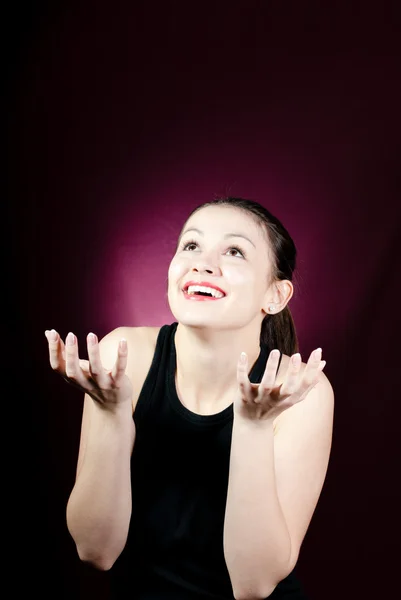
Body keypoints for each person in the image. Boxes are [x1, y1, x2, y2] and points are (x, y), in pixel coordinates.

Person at [45, 196, 334, 599]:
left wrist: (253, 425)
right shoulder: (123, 356)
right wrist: (111, 413)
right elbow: (95, 550)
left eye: (234, 251)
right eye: (191, 245)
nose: (202, 263)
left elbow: (253, 583)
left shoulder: (299, 390)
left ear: (276, 295)